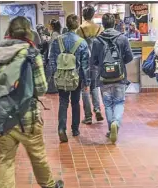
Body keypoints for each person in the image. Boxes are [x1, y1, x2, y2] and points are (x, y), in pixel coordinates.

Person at [0, 16, 64, 188]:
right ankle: (48, 187)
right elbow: (40, 87)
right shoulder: (32, 54)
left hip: (3, 116)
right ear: (29, 32)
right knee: (37, 154)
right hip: (27, 117)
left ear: (9, 32)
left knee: (5, 161)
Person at [91, 13, 133, 144]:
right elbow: (129, 57)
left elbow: (94, 60)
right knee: (119, 102)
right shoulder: (122, 38)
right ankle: (116, 122)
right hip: (120, 77)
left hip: (104, 78)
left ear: (102, 24)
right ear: (114, 23)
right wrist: (119, 62)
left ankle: (110, 128)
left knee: (108, 104)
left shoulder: (97, 40)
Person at [49, 14, 90, 143]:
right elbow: (85, 65)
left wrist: (55, 73)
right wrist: (86, 81)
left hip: (61, 77)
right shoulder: (81, 42)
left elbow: (51, 59)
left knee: (63, 102)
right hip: (75, 77)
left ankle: (61, 128)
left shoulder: (57, 41)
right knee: (75, 102)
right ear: (77, 25)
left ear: (66, 24)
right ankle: (75, 129)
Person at [76, 5, 104, 125]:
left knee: (85, 88)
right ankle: (97, 109)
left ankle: (88, 117)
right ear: (93, 15)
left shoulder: (80, 29)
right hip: (96, 61)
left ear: (83, 15)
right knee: (95, 87)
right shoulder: (99, 28)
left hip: (84, 62)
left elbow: (77, 47)